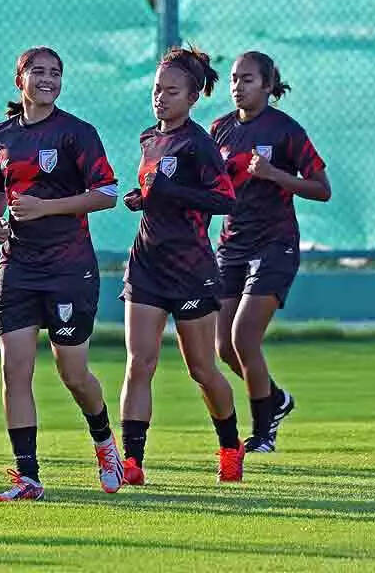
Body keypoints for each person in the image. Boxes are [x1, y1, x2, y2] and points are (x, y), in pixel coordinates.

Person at [0, 46, 123, 502]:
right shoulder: (2, 135)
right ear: (19, 79)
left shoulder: (76, 133)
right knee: (14, 371)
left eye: (55, 73)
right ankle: (28, 477)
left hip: (68, 267)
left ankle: (104, 441)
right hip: (18, 265)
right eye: (38, 72)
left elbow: (107, 193)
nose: (48, 79)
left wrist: (45, 207)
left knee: (73, 372)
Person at [118, 45, 244, 485]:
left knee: (202, 369)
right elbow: (156, 191)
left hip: (190, 269)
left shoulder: (199, 144)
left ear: (192, 98)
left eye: (171, 92)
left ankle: (230, 445)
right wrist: (143, 199)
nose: (161, 97)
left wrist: (171, 193)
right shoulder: (148, 138)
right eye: (157, 89)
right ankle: (132, 462)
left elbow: (225, 199)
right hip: (146, 265)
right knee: (139, 363)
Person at [210, 51, 331, 453]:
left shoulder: (285, 131)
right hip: (232, 245)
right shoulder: (220, 129)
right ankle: (275, 400)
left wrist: (275, 174)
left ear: (267, 85)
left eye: (247, 79)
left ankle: (263, 434)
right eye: (233, 78)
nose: (237, 86)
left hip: (274, 244)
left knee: (244, 338)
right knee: (224, 348)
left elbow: (322, 189)